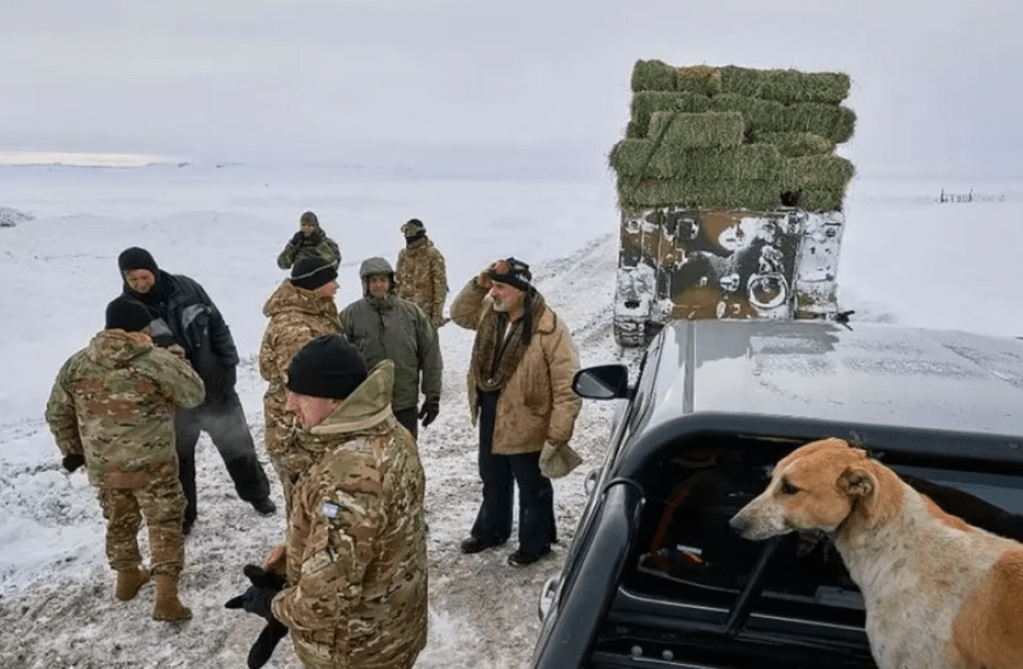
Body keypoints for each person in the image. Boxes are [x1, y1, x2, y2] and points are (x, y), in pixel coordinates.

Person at [226, 335, 428, 669]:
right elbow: (373, 533)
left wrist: (274, 605)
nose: (290, 404)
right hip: (392, 624)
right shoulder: (390, 433)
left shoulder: (351, 475)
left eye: (300, 394)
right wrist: (294, 556)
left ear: (334, 400)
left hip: (355, 649)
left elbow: (324, 602)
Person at [45, 296, 205, 621]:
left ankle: (127, 577)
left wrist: (73, 451)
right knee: (164, 524)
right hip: (153, 465)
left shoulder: (77, 363)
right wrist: (177, 360)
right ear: (142, 329)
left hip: (106, 467)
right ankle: (166, 597)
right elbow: (194, 394)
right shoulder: (155, 361)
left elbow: (56, 413)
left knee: (120, 521)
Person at [117, 246, 275, 535]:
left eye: (144, 276)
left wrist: (229, 365)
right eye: (132, 280)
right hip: (175, 402)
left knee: (238, 446)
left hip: (215, 388)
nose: (140, 284)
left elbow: (217, 326)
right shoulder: (128, 311)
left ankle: (258, 495)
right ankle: (185, 516)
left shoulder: (187, 288)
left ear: (153, 269)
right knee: (179, 462)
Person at [450, 257, 582, 566]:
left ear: (520, 291)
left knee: (531, 483)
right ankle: (491, 531)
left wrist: (558, 433)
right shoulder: (489, 311)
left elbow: (567, 386)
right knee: (492, 475)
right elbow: (459, 314)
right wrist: (477, 284)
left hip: (529, 419)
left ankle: (536, 543)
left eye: (500, 288)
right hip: (492, 406)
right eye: (493, 287)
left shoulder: (549, 328)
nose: (493, 293)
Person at [259, 255, 342, 513]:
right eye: (331, 281)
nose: (337, 286)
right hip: (298, 433)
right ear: (315, 284)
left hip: (311, 425)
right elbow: (305, 385)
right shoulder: (294, 326)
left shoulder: (315, 311)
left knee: (320, 503)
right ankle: (302, 552)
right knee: (305, 506)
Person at [340, 257, 442, 440]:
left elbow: (431, 355)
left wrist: (432, 396)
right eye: (373, 281)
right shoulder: (350, 315)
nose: (379, 285)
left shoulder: (412, 313)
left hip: (404, 403)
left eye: (383, 280)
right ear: (365, 284)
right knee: (370, 462)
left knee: (406, 459)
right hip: (367, 405)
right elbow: (338, 359)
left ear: (390, 282)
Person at [394, 218, 448, 327]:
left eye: (411, 231)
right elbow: (397, 281)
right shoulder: (403, 255)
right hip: (403, 312)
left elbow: (440, 286)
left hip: (424, 313)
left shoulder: (432, 255)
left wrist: (437, 315)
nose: (408, 235)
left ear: (420, 232)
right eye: (406, 231)